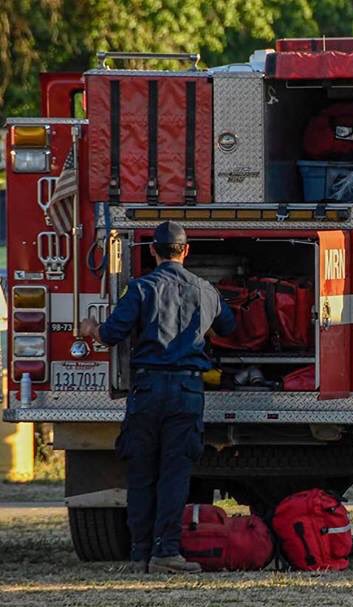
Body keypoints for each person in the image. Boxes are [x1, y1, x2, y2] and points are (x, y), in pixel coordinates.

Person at [80, 221, 235, 573]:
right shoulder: (205, 290)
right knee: (174, 474)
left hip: (147, 391)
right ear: (186, 250)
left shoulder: (139, 289)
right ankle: (167, 552)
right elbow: (229, 326)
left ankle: (139, 554)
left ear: (152, 251)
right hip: (186, 392)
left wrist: (92, 329)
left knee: (141, 473)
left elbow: (111, 333)